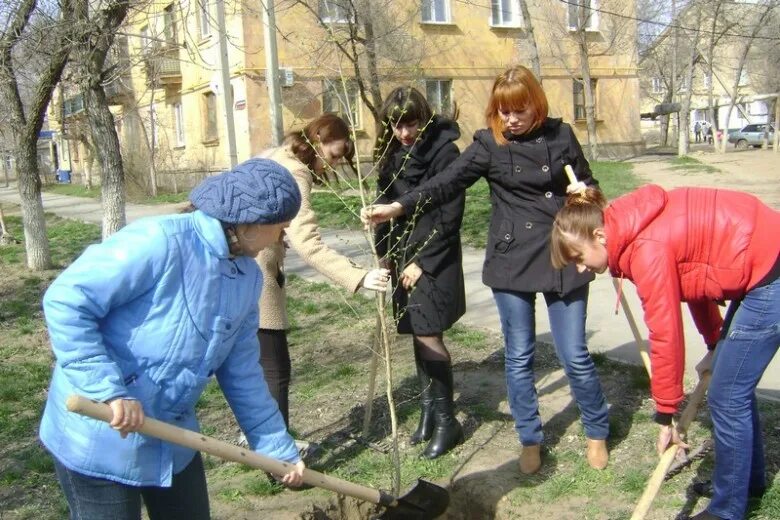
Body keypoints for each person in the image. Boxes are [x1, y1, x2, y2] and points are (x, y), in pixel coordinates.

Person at [362, 66, 610, 474]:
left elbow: (589, 182)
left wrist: (587, 192)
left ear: (536, 105)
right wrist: (398, 206)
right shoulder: (489, 143)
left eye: (519, 110)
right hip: (512, 257)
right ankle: (530, 438)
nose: (510, 119)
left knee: (575, 355)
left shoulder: (561, 135)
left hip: (563, 254)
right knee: (518, 356)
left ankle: (597, 431)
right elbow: (446, 183)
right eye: (502, 110)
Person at [39, 158, 306, 519]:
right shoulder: (158, 242)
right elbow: (67, 300)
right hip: (100, 431)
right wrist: (109, 389)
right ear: (249, 223)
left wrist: (275, 445)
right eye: (281, 227)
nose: (283, 237)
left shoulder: (247, 278)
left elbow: (242, 370)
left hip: (170, 435)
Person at [550, 185, 780, 520]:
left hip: (768, 269)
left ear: (599, 235)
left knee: (728, 394)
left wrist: (666, 413)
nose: (580, 269)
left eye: (579, 258)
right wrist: (716, 342)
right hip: (757, 254)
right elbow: (697, 275)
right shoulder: (628, 226)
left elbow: (665, 333)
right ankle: (747, 485)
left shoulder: (645, 248)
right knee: (733, 389)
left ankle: (728, 510)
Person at [254, 113, 389, 447]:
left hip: (232, 267)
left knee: (250, 365)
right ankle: (277, 455)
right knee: (275, 367)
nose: (333, 165)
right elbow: (308, 245)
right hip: (255, 274)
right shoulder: (296, 172)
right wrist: (359, 276)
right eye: (332, 156)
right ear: (317, 142)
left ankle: (262, 438)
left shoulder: (271, 155)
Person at [373, 87, 466, 458]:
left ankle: (448, 421)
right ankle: (428, 411)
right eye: (396, 125)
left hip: (433, 255)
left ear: (424, 118)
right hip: (401, 255)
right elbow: (384, 201)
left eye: (410, 124)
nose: (404, 133)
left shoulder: (444, 153)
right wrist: (385, 252)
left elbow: (449, 214)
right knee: (415, 329)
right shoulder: (393, 152)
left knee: (429, 333)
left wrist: (422, 261)